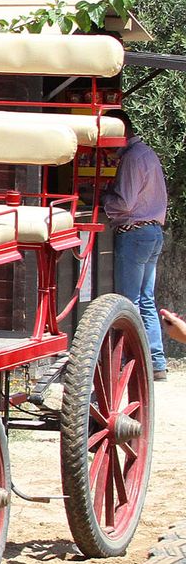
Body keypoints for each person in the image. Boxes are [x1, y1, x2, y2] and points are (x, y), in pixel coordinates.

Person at [102, 109, 169, 380]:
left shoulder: (131, 158)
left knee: (128, 302)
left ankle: (130, 362)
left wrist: (103, 199)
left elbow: (125, 203)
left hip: (134, 233)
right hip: (152, 232)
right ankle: (156, 362)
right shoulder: (147, 153)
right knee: (146, 300)